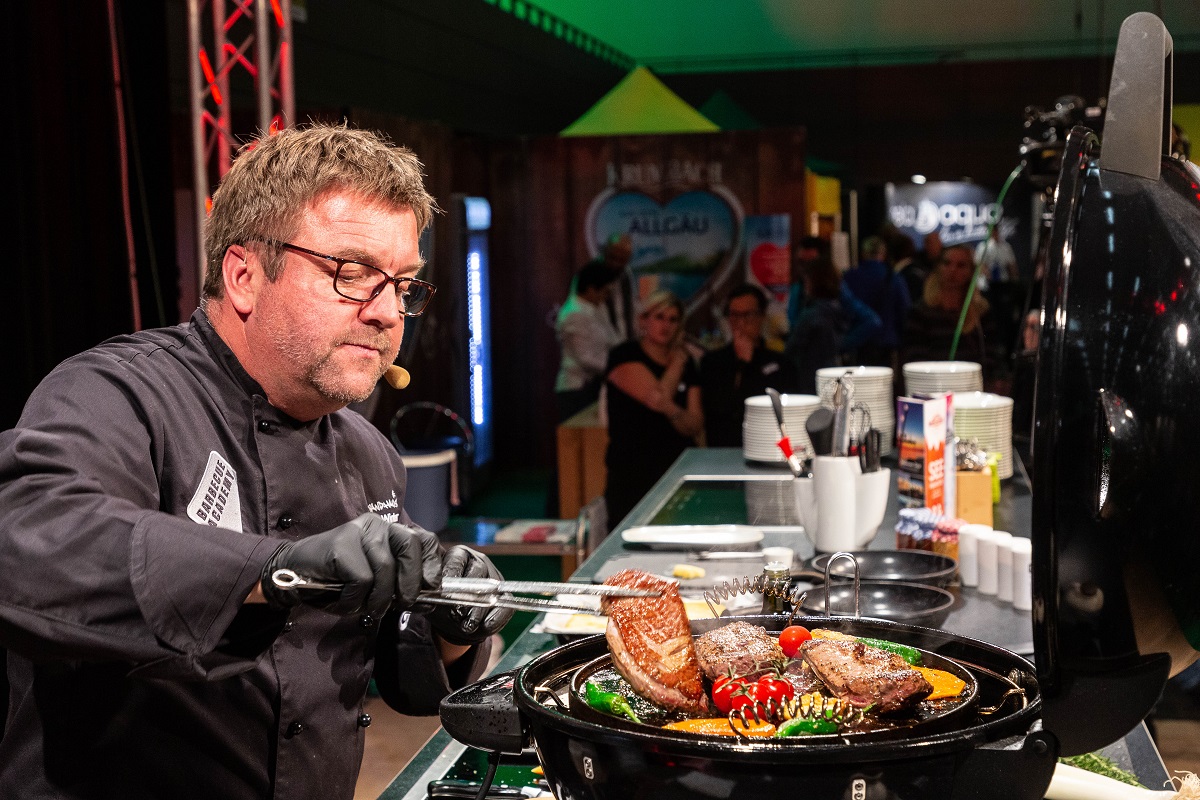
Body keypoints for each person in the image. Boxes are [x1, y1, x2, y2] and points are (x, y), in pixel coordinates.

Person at [0, 124, 513, 799]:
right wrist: (276, 569)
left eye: (403, 285)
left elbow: (398, 672)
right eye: (353, 274)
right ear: (244, 275)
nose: (389, 313)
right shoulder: (123, 394)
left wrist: (452, 624)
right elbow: (30, 545)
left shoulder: (368, 454)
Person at [603, 291, 702, 525]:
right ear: (643, 320)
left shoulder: (688, 362)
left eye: (673, 319)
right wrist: (676, 365)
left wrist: (671, 410)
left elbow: (695, 423)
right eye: (659, 317)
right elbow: (656, 399)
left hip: (676, 468)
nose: (666, 325)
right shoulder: (624, 355)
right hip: (632, 471)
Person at [699, 284, 801, 448]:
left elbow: (780, 409)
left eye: (748, 315)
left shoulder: (781, 364)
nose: (741, 323)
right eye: (734, 315)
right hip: (724, 450)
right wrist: (742, 366)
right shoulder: (712, 363)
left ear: (761, 317)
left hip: (768, 446)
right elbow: (719, 410)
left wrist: (750, 366)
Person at [786, 256, 882, 394]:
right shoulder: (835, 308)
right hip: (834, 374)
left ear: (813, 282)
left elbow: (791, 349)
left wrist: (843, 343)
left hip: (811, 379)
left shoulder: (812, 315)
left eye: (806, 280)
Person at [902, 244, 999, 379]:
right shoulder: (920, 312)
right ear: (938, 267)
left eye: (961, 265)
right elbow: (915, 357)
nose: (953, 270)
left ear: (971, 272)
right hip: (932, 384)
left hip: (970, 386)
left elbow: (991, 356)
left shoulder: (981, 311)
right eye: (947, 263)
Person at [554, 260, 621, 423]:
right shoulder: (574, 313)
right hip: (578, 389)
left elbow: (613, 340)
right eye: (605, 292)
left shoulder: (595, 309)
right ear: (591, 289)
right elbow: (584, 358)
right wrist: (617, 368)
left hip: (594, 386)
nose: (606, 298)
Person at [841, 235, 912, 368]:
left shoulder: (849, 277)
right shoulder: (894, 278)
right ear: (883, 254)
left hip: (857, 344)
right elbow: (905, 311)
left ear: (863, 253)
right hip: (887, 344)